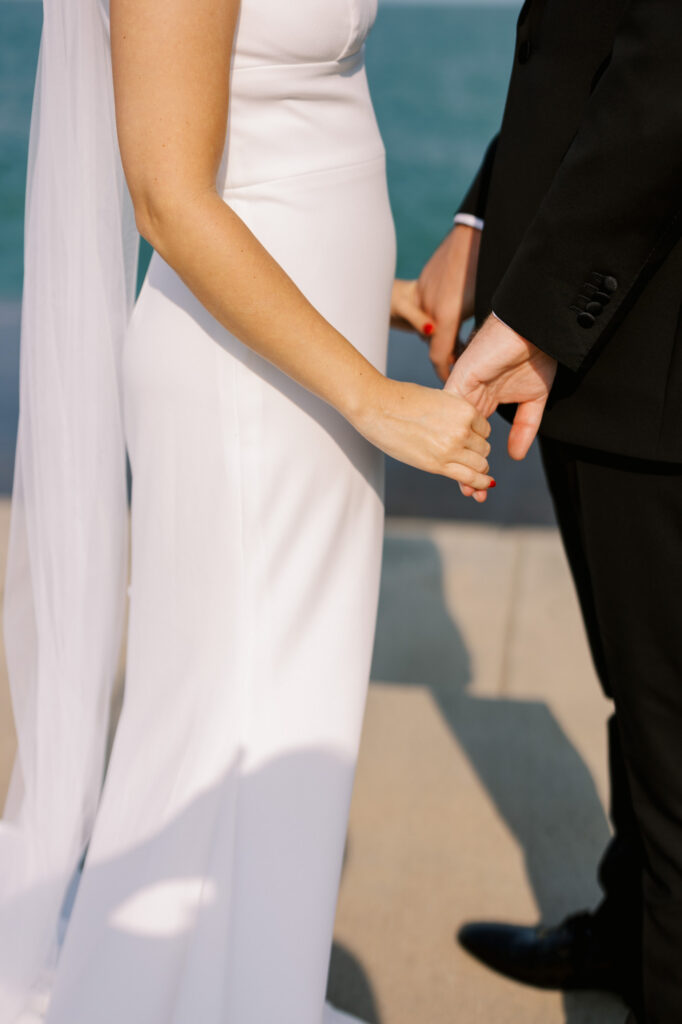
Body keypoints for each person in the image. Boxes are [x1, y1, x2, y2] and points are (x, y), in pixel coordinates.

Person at [0, 0, 495, 1021]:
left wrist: (382, 295)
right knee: (218, 736)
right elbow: (168, 198)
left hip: (313, 364)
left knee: (288, 729)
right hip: (246, 393)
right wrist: (376, 397)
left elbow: (297, 134)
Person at [411, 1, 682, 1022]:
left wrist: (540, 310)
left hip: (650, 334)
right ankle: (632, 929)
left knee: (673, 730)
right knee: (639, 693)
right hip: (590, 329)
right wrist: (485, 218)